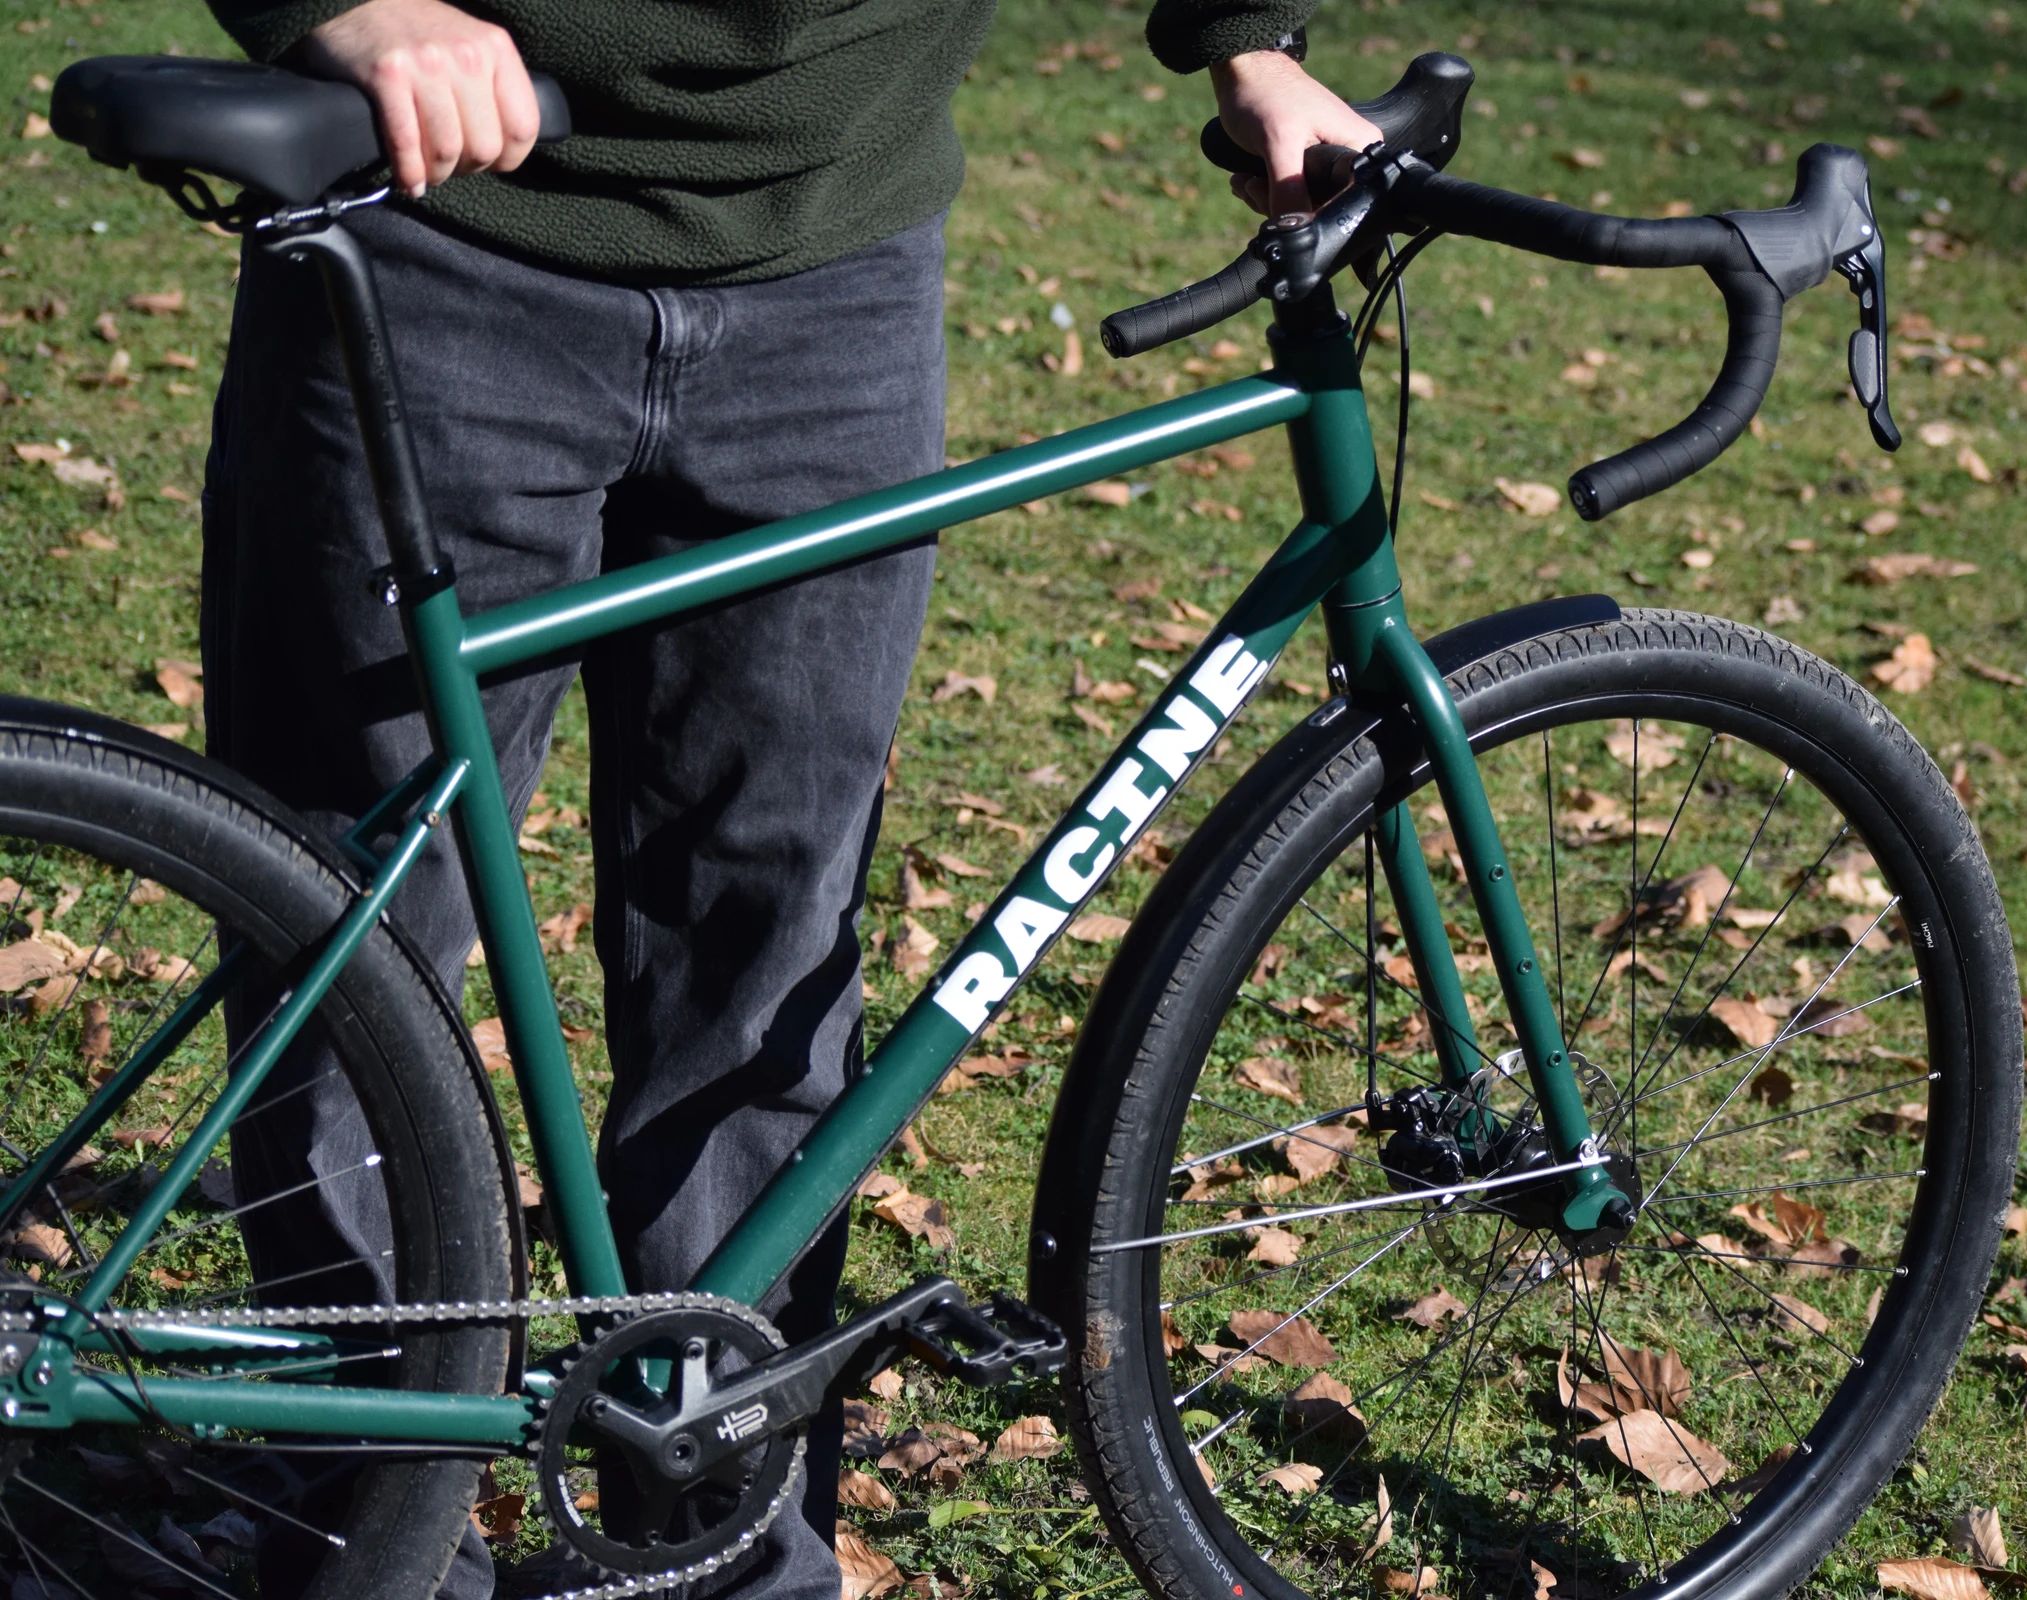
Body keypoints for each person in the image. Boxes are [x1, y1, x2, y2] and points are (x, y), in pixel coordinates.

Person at [195, 0, 1376, 1595]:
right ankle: (363, 1528)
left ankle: (719, 1536)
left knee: (765, 934)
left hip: (837, 261)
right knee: (354, 935)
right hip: (431, 220)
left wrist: (1250, 37)